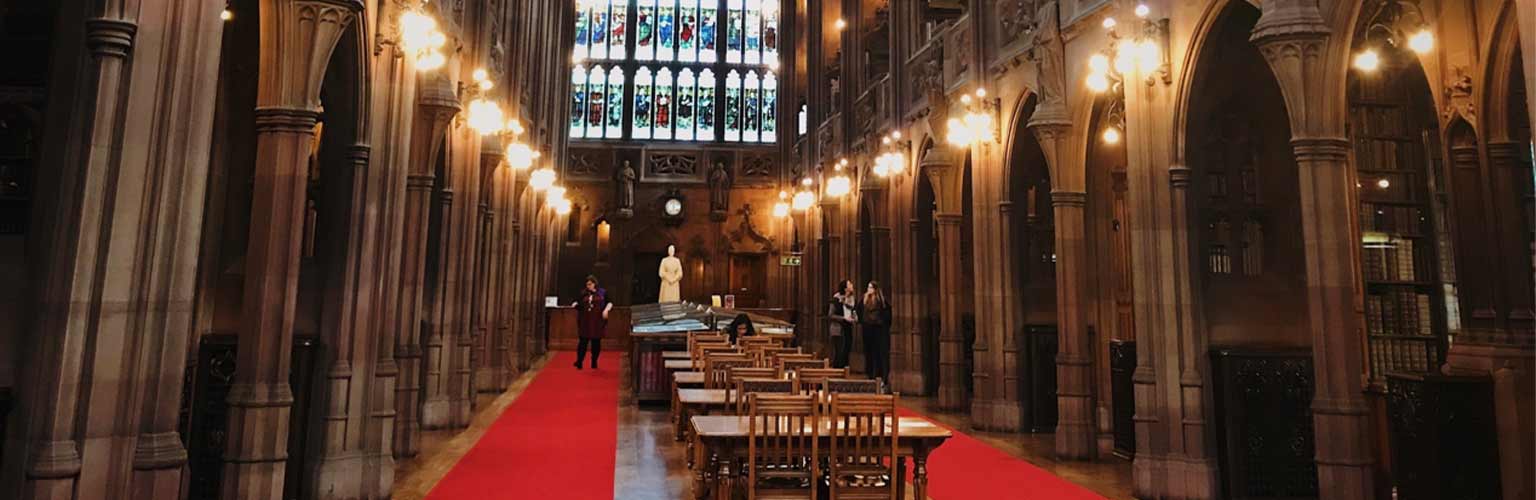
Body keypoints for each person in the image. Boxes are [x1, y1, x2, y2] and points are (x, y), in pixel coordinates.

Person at [573, 275, 612, 370]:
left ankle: (594, 361)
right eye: (587, 284)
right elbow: (576, 303)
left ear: (594, 284)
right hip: (585, 321)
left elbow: (610, 302)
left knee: (596, 342)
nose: (588, 286)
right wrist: (575, 305)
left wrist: (606, 310)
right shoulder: (583, 293)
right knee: (583, 342)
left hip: (597, 321)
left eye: (590, 284)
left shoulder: (602, 292)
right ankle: (579, 361)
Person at [858, 281, 893, 382]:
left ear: (875, 289)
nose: (869, 289)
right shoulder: (864, 300)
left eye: (871, 287)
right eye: (868, 287)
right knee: (868, 351)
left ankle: (879, 374)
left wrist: (881, 322)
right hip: (867, 329)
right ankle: (870, 373)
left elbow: (886, 313)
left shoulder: (881, 301)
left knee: (878, 352)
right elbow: (859, 311)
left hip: (878, 330)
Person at [829, 279, 857, 369]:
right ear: (845, 288)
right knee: (839, 353)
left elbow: (853, 311)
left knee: (846, 351)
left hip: (848, 328)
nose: (852, 285)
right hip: (838, 329)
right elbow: (831, 315)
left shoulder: (852, 299)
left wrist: (854, 317)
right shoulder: (836, 299)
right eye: (849, 284)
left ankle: (845, 374)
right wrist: (843, 318)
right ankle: (836, 374)